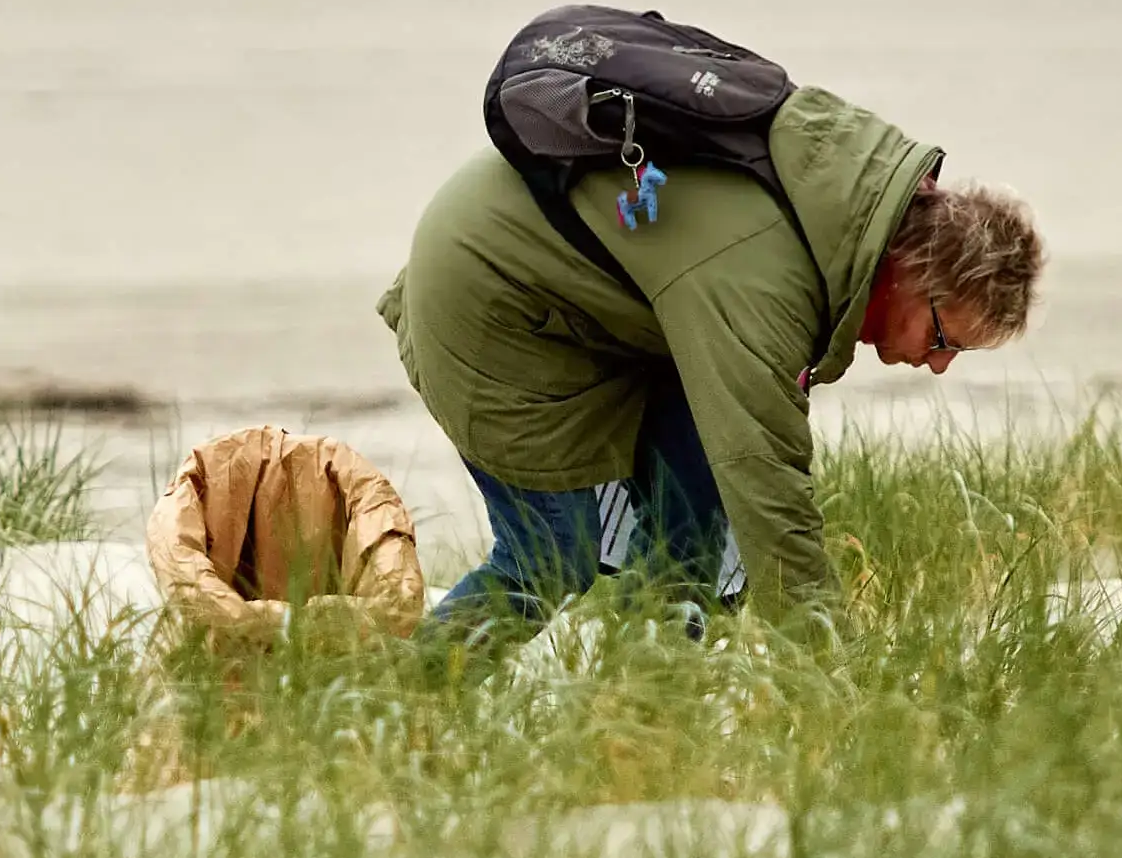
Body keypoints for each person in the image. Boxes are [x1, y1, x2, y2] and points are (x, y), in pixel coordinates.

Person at [380, 65, 1041, 635]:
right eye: (944, 338)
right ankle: (409, 701)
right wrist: (831, 671)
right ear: (914, 271)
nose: (939, 365)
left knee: (697, 518)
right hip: (487, 293)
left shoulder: (851, 210)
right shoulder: (770, 280)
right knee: (553, 553)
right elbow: (769, 486)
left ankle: (647, 698)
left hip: (595, 305)